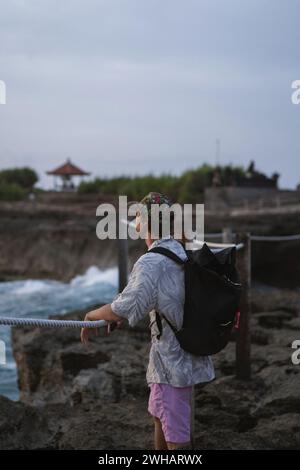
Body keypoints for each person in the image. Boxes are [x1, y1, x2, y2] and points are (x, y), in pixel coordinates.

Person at [80, 192, 215, 450]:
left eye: (138, 217)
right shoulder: (179, 250)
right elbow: (158, 297)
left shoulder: (152, 261)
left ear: (147, 222)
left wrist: (92, 315)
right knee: (160, 416)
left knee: (178, 440)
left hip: (171, 364)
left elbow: (124, 307)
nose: (136, 224)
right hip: (185, 355)